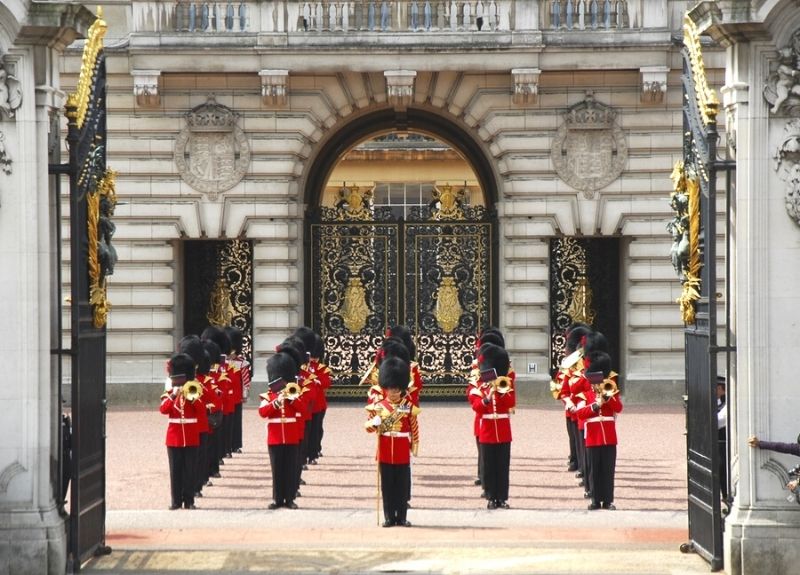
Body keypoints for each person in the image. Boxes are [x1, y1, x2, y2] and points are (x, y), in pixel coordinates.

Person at [365, 356, 420, 527]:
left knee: (402, 486)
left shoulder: (407, 406)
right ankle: (389, 517)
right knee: (387, 486)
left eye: (397, 390)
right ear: (386, 389)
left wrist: (415, 446)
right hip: (385, 449)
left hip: (402, 449)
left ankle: (401, 517)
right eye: (391, 390)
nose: (394, 393)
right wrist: (374, 423)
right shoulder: (378, 406)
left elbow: (414, 427)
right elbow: (368, 427)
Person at [469, 343, 514, 509]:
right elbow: (476, 407)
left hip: (503, 430)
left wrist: (500, 391)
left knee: (502, 466)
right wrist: (487, 396)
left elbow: (511, 402)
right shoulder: (477, 387)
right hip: (487, 429)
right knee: (488, 466)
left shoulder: (506, 384)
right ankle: (490, 497)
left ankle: (502, 498)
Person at [576, 350, 622, 510]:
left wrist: (608, 398)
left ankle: (608, 500)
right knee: (594, 470)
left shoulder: (611, 392)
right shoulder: (584, 395)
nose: (597, 385)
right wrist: (596, 405)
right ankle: (595, 500)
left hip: (609, 437)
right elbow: (580, 413)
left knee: (608, 469)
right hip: (593, 437)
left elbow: (619, 408)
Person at [259, 351, 303, 509]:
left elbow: (302, 409)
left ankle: (290, 499)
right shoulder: (267, 396)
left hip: (291, 436)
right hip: (275, 437)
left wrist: (291, 399)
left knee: (290, 469)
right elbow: (263, 413)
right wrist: (276, 403)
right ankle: (277, 499)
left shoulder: (294, 393)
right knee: (277, 470)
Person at [160, 352, 203, 510]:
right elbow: (163, 410)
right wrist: (173, 395)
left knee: (190, 470)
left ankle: (189, 501)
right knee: (175, 470)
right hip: (174, 436)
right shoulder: (169, 393)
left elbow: (200, 411)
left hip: (190, 435)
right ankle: (176, 501)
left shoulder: (194, 391)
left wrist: (192, 397)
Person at [717, 375, 728, 500]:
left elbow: (718, 422)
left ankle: (725, 495)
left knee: (722, 469)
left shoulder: (726, 404)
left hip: (721, 443)